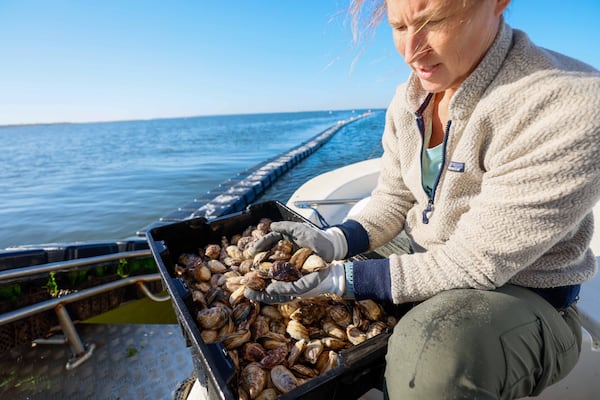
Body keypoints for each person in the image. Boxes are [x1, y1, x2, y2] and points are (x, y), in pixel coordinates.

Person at [245, 0, 600, 398]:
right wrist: (337, 241)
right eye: (399, 27)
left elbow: (475, 263)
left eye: (433, 22)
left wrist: (339, 279)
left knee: (432, 356)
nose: (411, 50)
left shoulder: (569, 103)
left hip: (523, 293)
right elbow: (394, 197)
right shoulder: (411, 97)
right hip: (430, 253)